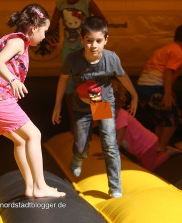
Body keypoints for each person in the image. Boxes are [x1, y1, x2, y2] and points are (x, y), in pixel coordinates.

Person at [0, 4, 65, 198]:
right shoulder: (18, 41)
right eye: (45, 31)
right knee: (35, 134)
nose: (45, 36)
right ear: (34, 28)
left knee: (21, 141)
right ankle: (40, 186)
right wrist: (13, 80)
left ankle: (30, 187)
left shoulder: (9, 39)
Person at [52, 16, 138, 198]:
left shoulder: (111, 59)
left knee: (110, 144)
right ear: (82, 39)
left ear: (106, 40)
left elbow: (122, 76)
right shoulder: (73, 59)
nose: (94, 46)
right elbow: (63, 80)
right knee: (81, 145)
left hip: (102, 104)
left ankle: (115, 187)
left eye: (99, 41)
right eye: (89, 41)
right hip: (82, 107)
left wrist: (134, 95)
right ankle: (78, 157)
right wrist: (58, 104)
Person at [137, 23, 182, 152]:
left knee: (161, 119)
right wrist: (168, 93)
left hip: (143, 87)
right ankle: (161, 146)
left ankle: (156, 145)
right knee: (174, 118)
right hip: (155, 87)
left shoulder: (165, 49)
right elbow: (169, 71)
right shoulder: (178, 53)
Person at [49, 0, 106, 132]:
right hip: (69, 48)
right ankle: (74, 123)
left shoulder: (87, 2)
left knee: (93, 80)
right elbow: (52, 26)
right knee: (69, 86)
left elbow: (102, 20)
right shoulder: (61, 4)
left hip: (85, 47)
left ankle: (101, 119)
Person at [113, 79, 181, 171]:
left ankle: (169, 153)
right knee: (141, 166)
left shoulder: (122, 118)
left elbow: (117, 143)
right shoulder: (108, 115)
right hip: (139, 148)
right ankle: (161, 153)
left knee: (149, 169)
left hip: (147, 146)